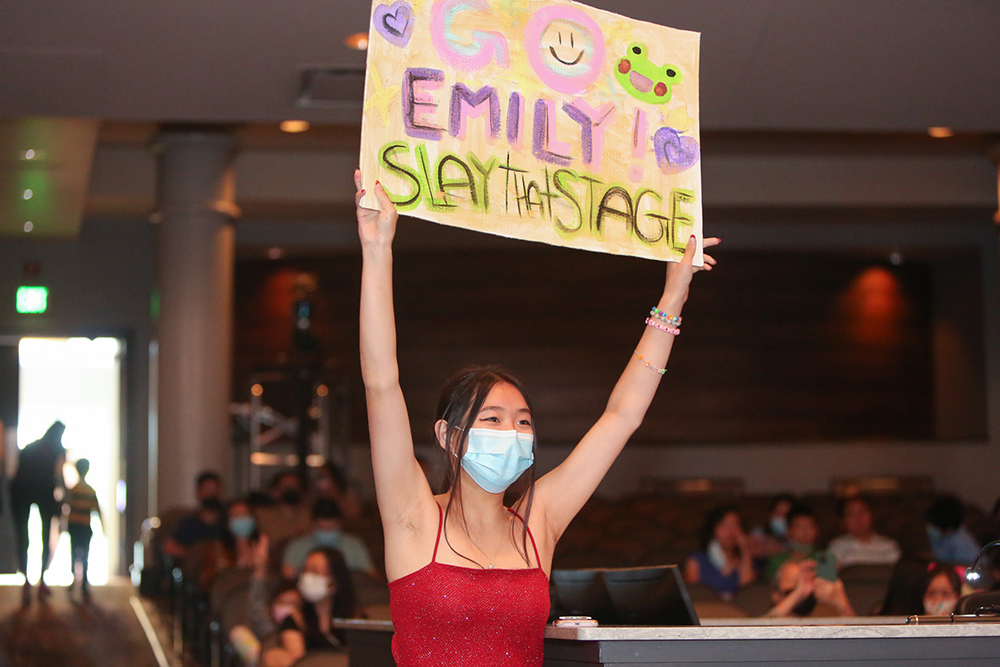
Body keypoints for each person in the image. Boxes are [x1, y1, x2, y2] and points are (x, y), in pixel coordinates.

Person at [355, 171, 718, 666]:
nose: (513, 432)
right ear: (448, 435)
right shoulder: (413, 517)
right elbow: (381, 384)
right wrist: (377, 249)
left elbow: (622, 415)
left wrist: (673, 296)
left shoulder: (537, 522)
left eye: (523, 422)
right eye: (493, 418)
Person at [10, 420, 66, 604]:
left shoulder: (31, 448)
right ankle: (39, 582)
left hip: (23, 493)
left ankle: (28, 582)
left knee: (24, 538)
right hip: (37, 493)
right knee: (42, 537)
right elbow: (59, 476)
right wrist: (64, 498)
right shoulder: (56, 450)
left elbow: (17, 474)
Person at [281, 498, 378, 580]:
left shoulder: (354, 544)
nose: (327, 524)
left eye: (332, 520)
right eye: (323, 520)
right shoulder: (298, 546)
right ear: (314, 522)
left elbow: (370, 573)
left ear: (340, 521)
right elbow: (288, 575)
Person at [684, 505, 755, 600]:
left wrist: (745, 551)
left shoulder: (744, 561)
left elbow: (748, 591)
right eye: (725, 525)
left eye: (735, 525)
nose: (731, 531)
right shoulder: (696, 560)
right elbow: (694, 593)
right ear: (714, 528)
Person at [64, 458, 103, 600]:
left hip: (74, 526)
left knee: (74, 552)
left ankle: (74, 580)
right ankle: (84, 583)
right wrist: (102, 527)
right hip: (85, 527)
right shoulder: (90, 491)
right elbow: (97, 510)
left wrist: (63, 524)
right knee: (85, 553)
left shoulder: (73, 490)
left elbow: (66, 508)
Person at [826, 497, 900, 568]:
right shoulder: (836, 546)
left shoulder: (889, 546)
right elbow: (827, 573)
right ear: (844, 521)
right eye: (852, 514)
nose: (858, 518)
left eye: (862, 512)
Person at [765, 559, 855, 618]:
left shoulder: (826, 615)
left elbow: (855, 635)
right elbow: (763, 632)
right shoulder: (775, 618)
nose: (806, 593)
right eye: (792, 590)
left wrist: (841, 602)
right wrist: (799, 593)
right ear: (776, 595)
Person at [766, 503, 830, 580]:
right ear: (789, 531)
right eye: (799, 527)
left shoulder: (824, 557)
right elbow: (769, 583)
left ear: (816, 530)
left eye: (809, 526)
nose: (805, 531)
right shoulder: (778, 559)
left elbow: (828, 582)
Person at [925, 494, 981, 565]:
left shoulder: (961, 544)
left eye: (935, 526)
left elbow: (956, 566)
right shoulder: (940, 534)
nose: (931, 528)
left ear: (949, 530)